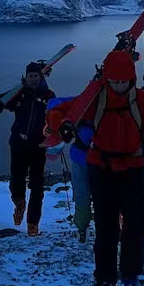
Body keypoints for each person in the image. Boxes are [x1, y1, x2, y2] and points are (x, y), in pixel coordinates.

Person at [80, 49, 144, 286]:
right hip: (102, 170)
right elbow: (73, 117)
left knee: (135, 227)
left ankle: (130, 276)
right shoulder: (96, 98)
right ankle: (107, 281)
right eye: (114, 81)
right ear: (107, 78)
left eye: (123, 81)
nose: (119, 86)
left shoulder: (141, 101)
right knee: (106, 229)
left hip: (132, 169)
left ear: (131, 78)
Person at [0, 61, 54, 236]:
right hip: (18, 144)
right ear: (26, 77)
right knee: (16, 181)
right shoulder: (18, 94)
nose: (33, 79)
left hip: (38, 146)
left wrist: (56, 130)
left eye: (36, 76)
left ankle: (33, 224)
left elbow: (58, 113)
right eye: (30, 76)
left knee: (37, 186)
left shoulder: (48, 95)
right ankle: (19, 203)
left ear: (41, 77)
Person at [46, 96, 94, 243]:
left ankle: (109, 229)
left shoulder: (119, 106)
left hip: (105, 161)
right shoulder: (85, 101)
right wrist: (59, 120)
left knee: (106, 197)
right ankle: (81, 228)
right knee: (81, 196)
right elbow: (54, 103)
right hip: (82, 158)